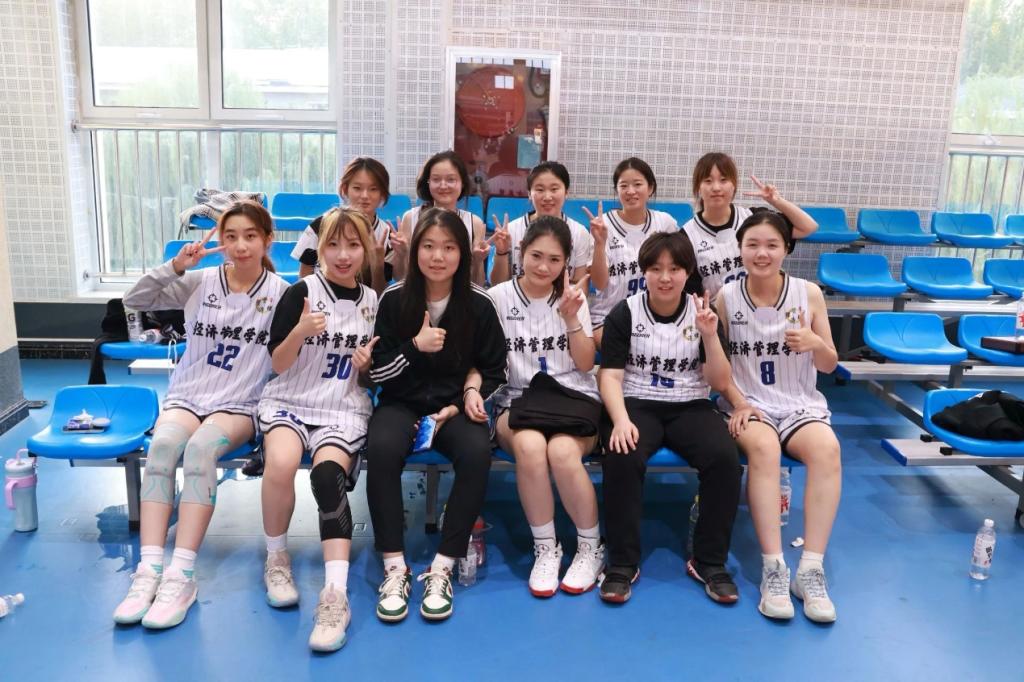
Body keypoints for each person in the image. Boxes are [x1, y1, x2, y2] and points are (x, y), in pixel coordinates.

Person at [114, 201, 288, 629]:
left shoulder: (282, 293)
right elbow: (133, 299)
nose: (240, 245)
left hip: (239, 403)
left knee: (199, 451)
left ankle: (181, 575)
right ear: (220, 241)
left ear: (268, 240)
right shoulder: (199, 281)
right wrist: (176, 266)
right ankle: (149, 570)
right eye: (231, 237)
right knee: (161, 449)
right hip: (188, 395)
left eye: (250, 236)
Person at [366, 207, 507, 621]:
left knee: (477, 453)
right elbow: (377, 372)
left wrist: (466, 398)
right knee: (382, 448)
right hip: (401, 403)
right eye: (428, 246)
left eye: (448, 247)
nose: (438, 256)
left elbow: (496, 370)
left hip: (454, 407)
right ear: (415, 252)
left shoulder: (480, 304)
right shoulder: (394, 299)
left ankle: (443, 566)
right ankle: (395, 567)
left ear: (462, 253)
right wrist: (414, 347)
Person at [597, 232, 742, 605]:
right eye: (656, 269)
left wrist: (710, 337)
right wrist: (620, 420)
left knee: (724, 458)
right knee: (622, 453)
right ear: (643, 271)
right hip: (637, 403)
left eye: (675, 269)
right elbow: (609, 376)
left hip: (690, 404)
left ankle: (709, 562)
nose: (665, 277)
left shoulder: (703, 314)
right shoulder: (625, 312)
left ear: (688, 271)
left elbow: (719, 382)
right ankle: (622, 563)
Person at [258, 207, 378, 651]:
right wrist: (301, 331)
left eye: (353, 245)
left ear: (366, 250)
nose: (343, 255)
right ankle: (276, 558)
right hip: (291, 400)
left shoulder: (374, 301)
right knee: (281, 463)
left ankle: (335, 594)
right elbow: (278, 363)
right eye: (333, 245)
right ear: (320, 248)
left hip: (341, 406)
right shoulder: (301, 292)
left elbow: (370, 378)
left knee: (328, 477)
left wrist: (366, 367)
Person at [715, 208, 841, 623]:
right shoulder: (726, 297)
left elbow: (829, 365)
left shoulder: (809, 294)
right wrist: (738, 401)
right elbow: (717, 366)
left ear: (786, 248)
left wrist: (815, 343)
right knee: (765, 450)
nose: (761, 253)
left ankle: (810, 570)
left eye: (771, 245)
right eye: (752, 244)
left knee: (827, 449)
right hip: (749, 403)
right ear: (740, 249)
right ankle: (774, 568)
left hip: (799, 403)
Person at [486, 216, 603, 597]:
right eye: (536, 256)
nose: (543, 267)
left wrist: (571, 318)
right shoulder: (497, 298)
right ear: (521, 252)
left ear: (566, 262)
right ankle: (546, 549)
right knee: (531, 446)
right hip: (516, 399)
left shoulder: (573, 298)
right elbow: (486, 362)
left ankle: (590, 548)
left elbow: (585, 364)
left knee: (563, 452)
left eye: (554, 260)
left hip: (573, 398)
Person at [680, 152, 818, 298]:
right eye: (708, 181)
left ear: (734, 185)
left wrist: (776, 201)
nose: (716, 187)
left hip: (762, 304)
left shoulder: (754, 218)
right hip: (717, 309)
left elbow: (808, 227)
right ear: (698, 187)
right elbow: (692, 296)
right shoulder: (686, 237)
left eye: (723, 180)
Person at [582, 157, 678, 348]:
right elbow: (599, 284)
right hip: (608, 317)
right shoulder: (603, 225)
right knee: (634, 350)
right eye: (623, 185)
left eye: (637, 184)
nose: (631, 191)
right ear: (616, 190)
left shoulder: (665, 223)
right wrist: (600, 244)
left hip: (655, 315)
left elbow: (679, 270)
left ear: (650, 188)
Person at [293, 156, 393, 293]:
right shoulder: (320, 226)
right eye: (357, 188)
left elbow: (380, 294)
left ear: (382, 193)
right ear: (345, 189)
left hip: (366, 305)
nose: (365, 195)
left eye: (373, 189)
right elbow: (305, 274)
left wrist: (378, 265)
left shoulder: (386, 234)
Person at [488, 161, 593, 287]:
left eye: (554, 189)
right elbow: (498, 285)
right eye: (540, 189)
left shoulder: (579, 233)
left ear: (566, 192)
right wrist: (501, 252)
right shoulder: (511, 230)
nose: (547, 197)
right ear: (529, 193)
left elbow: (580, 285)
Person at [395, 151, 489, 285]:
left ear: (462, 182)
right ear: (428, 182)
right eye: (436, 179)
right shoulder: (411, 218)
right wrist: (401, 255)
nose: (443, 185)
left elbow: (477, 284)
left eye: (451, 179)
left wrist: (478, 262)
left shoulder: (474, 223)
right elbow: (399, 278)